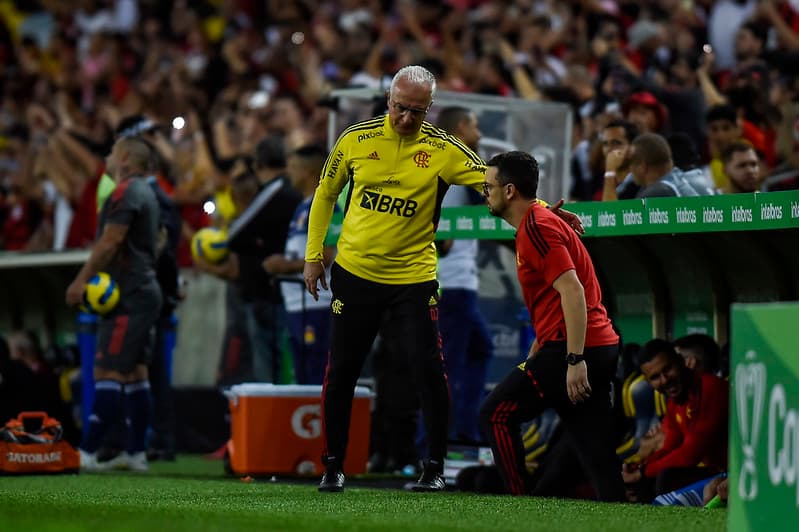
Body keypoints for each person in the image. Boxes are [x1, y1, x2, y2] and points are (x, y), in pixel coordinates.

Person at [305, 65, 581, 494]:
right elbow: (324, 194)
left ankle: (433, 467)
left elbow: (498, 185)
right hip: (356, 274)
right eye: (400, 108)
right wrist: (312, 256)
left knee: (429, 372)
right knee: (341, 373)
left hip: (413, 279)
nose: (406, 119)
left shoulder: (444, 150)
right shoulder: (355, 140)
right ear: (388, 101)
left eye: (417, 111)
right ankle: (333, 465)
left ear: (429, 109)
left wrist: (543, 210)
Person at [478, 150, 624, 500]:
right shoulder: (540, 220)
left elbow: (571, 291)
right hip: (595, 344)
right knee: (594, 448)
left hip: (576, 348)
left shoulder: (536, 226)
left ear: (510, 191)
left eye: (488, 188)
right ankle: (618, 506)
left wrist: (574, 361)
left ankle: (518, 503)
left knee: (495, 414)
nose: (485, 194)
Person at [65, 137, 162, 472]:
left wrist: (80, 280)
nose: (106, 158)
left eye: (110, 152)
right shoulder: (148, 192)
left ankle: (88, 452)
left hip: (129, 295)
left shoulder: (125, 192)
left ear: (124, 159)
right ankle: (136, 454)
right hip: (143, 290)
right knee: (135, 373)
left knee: (107, 369)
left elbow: (110, 242)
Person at [434, 106, 493, 443]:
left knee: (478, 350)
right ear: (460, 127)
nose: (479, 132)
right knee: (447, 366)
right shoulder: (456, 163)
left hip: (459, 279)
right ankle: (433, 441)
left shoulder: (444, 161)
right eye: (474, 124)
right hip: (451, 281)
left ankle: (465, 429)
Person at [262, 144, 339, 385]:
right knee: (302, 375)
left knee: (316, 375)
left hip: (317, 305)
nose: (289, 173)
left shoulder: (325, 204)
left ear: (310, 172)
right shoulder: (302, 207)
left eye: (294, 167)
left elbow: (328, 254)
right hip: (298, 304)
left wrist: (285, 266)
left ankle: (320, 422)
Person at [621, 339, 728, 502]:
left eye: (668, 369)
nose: (664, 380)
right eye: (655, 377)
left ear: (680, 361)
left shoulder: (710, 388)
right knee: (651, 477)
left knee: (665, 477)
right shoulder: (674, 402)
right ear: (649, 382)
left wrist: (643, 473)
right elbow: (670, 446)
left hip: (731, 475)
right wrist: (640, 466)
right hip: (714, 472)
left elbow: (690, 454)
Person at [607, 133, 715, 198]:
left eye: (632, 163)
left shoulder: (657, 192)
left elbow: (611, 224)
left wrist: (609, 173)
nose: (630, 168)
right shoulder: (676, 180)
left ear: (643, 167)